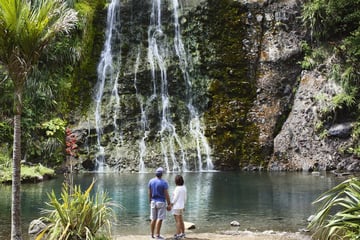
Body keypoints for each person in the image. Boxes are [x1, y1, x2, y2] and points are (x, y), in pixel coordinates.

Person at [148, 167, 171, 239]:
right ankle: (157, 235)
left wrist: (150, 200)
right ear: (161, 174)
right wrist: (169, 203)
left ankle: (151, 235)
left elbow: (149, 192)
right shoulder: (164, 182)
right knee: (160, 218)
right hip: (161, 202)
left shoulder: (151, 181)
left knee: (153, 218)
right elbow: (166, 194)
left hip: (153, 201)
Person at [170, 175, 187, 240]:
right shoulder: (184, 187)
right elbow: (185, 198)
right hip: (181, 206)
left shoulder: (177, 188)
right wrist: (184, 205)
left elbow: (175, 198)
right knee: (181, 220)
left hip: (176, 206)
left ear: (176, 181)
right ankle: (183, 233)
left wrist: (171, 204)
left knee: (177, 221)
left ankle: (177, 235)